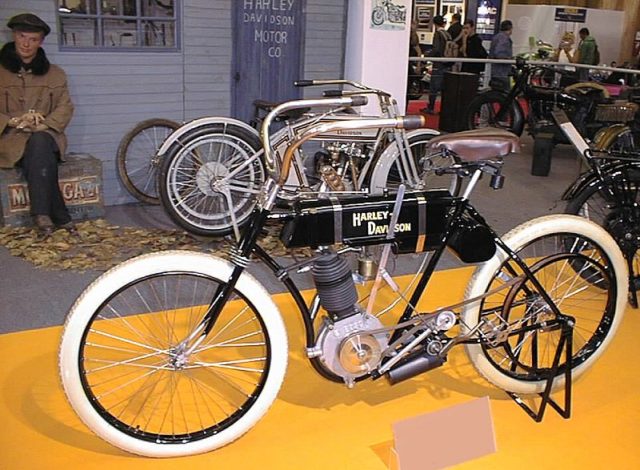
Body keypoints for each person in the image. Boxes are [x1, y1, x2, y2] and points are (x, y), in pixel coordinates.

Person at [0, 13, 75, 237]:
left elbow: (65, 107)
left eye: (33, 39)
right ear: (14, 36)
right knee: (40, 154)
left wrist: (44, 125)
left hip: (46, 135)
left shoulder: (56, 74)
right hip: (10, 139)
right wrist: (11, 121)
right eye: (22, 36)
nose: (26, 43)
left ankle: (41, 214)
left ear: (40, 42)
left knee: (40, 142)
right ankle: (60, 216)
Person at [422, 15, 452, 115]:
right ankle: (444, 108)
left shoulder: (438, 34)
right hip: (448, 61)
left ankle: (431, 107)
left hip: (439, 63)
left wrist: (427, 55)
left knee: (434, 86)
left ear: (434, 24)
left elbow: (436, 49)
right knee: (445, 86)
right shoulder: (447, 34)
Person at [460, 19, 487, 87]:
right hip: (466, 67)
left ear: (472, 28)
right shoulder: (465, 38)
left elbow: (466, 54)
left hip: (473, 68)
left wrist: (464, 41)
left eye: (467, 28)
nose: (466, 30)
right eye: (464, 28)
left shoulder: (476, 40)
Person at [489, 20, 513, 91]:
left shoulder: (496, 37)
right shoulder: (504, 38)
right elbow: (499, 53)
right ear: (510, 28)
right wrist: (508, 59)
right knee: (504, 93)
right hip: (502, 72)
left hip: (495, 70)